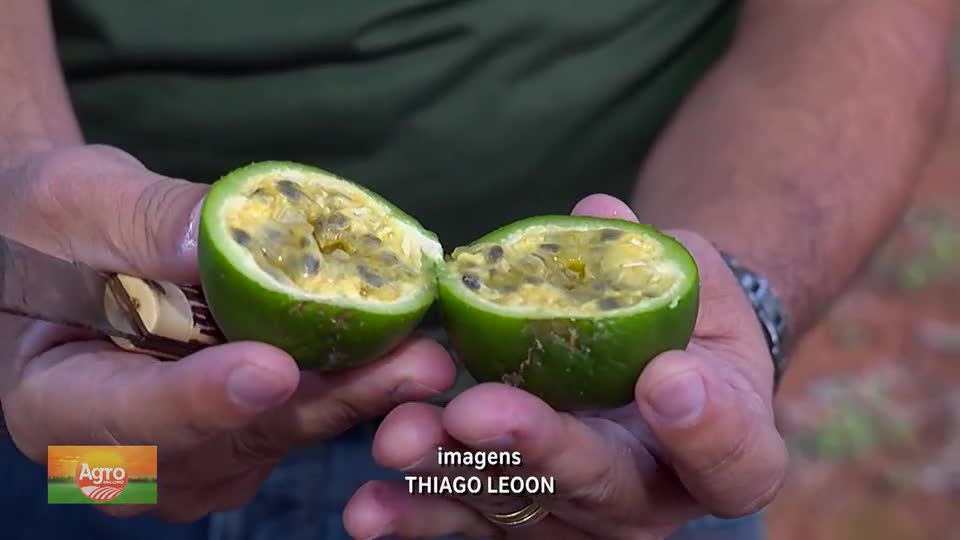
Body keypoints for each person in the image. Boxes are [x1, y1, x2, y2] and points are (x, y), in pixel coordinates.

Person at [0, 0, 952, 538]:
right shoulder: (60, 376)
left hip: (588, 435)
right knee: (70, 482)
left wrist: (732, 307)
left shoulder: (635, 417)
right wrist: (17, 202)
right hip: (81, 378)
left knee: (614, 500)